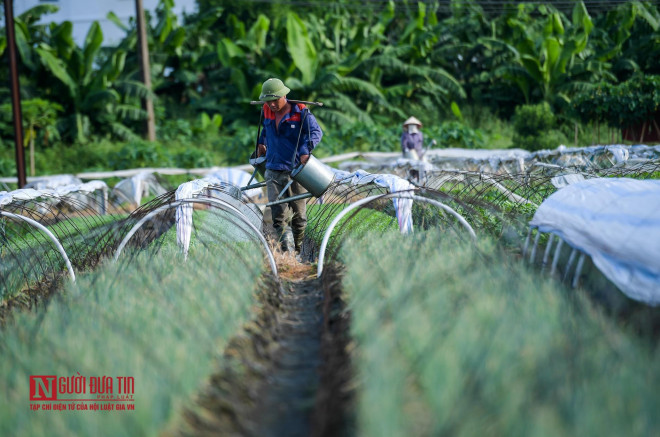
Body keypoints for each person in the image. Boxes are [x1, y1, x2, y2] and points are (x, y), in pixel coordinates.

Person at [256, 78, 323, 254]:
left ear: (284, 95)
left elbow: (316, 132)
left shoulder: (300, 111)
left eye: (275, 99)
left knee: (299, 217)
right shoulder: (266, 111)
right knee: (278, 218)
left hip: (296, 172)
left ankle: (299, 249)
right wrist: (261, 143)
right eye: (267, 100)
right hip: (273, 171)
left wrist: (304, 149)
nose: (271, 104)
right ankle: (288, 254)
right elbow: (265, 131)